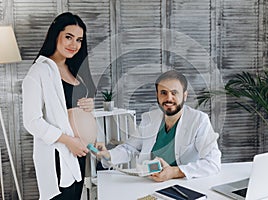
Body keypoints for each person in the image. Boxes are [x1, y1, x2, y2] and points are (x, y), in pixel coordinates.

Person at [95, 70, 221, 181]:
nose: (169, 98)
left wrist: (175, 172)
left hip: (184, 184)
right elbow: (130, 148)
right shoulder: (148, 118)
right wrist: (108, 155)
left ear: (185, 95)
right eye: (163, 93)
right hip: (150, 182)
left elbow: (213, 163)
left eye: (174, 93)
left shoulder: (199, 120)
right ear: (157, 95)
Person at [22, 12, 96, 200]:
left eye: (79, 40)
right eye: (69, 37)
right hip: (59, 154)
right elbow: (32, 121)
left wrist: (88, 106)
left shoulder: (74, 70)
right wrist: (69, 141)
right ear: (56, 35)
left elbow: (68, 109)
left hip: (79, 153)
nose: (74, 45)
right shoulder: (39, 71)